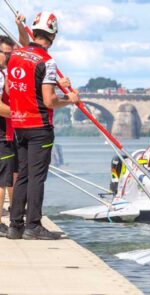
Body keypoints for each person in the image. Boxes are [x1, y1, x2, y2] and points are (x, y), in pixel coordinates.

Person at [6, 11, 80, 240]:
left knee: (23, 176)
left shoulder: (16, 55)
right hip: (40, 126)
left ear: (35, 31)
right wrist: (70, 100)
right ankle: (34, 225)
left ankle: (15, 226)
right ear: (53, 37)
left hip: (19, 124)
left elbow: (10, 90)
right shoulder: (48, 62)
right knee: (37, 177)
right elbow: (49, 100)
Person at [0, 35, 16, 236]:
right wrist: (22, 114)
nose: (9, 57)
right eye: (6, 54)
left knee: (11, 176)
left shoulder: (4, 73)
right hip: (2, 133)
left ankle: (15, 216)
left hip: (8, 131)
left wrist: (21, 27)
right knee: (3, 179)